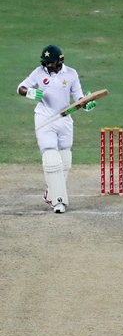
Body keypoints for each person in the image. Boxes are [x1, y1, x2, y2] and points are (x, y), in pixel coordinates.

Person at [17, 45, 97, 214]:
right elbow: (20, 88)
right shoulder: (38, 72)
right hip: (44, 119)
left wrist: (87, 104)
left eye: (51, 62)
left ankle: (51, 193)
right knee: (51, 158)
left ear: (60, 60)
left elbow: (78, 97)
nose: (47, 66)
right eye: (45, 63)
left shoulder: (71, 74)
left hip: (65, 118)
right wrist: (30, 93)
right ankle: (59, 201)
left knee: (65, 160)